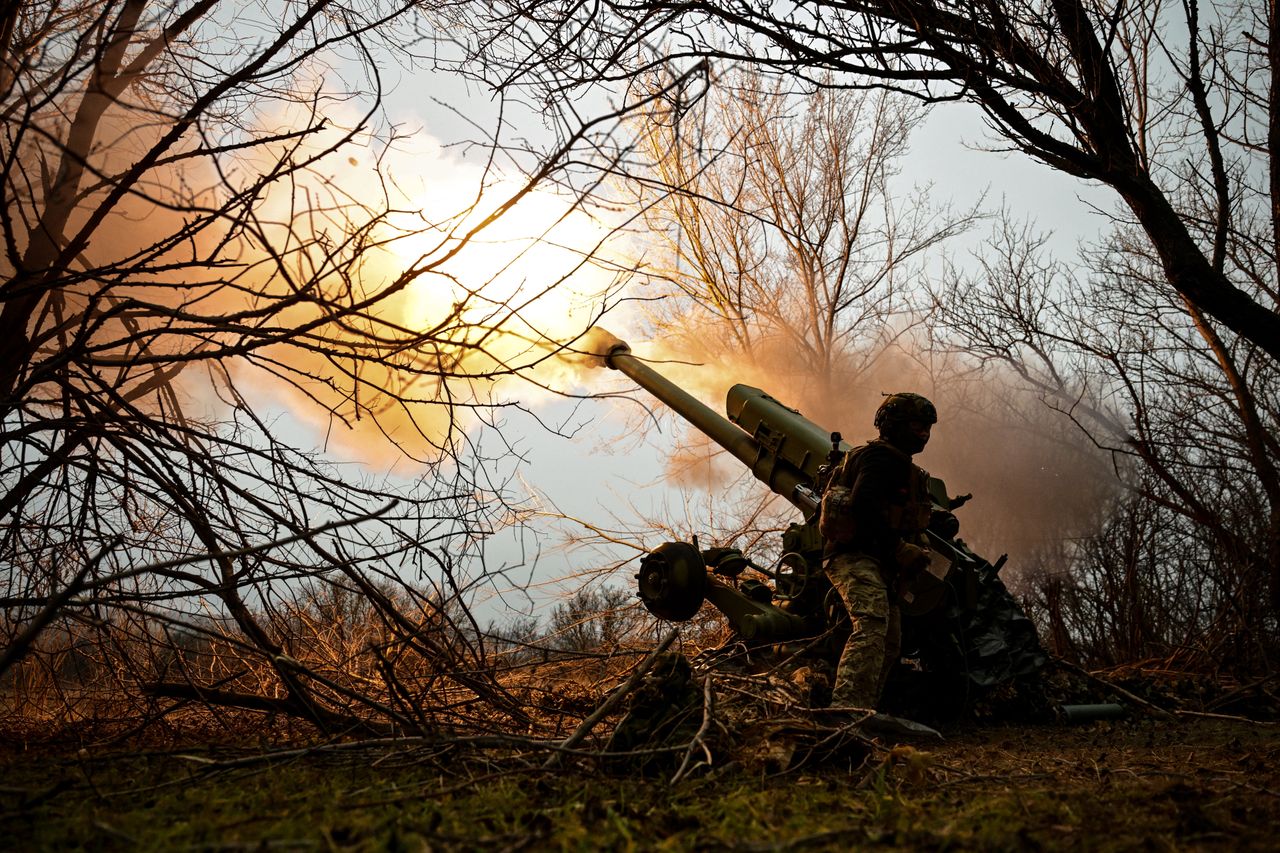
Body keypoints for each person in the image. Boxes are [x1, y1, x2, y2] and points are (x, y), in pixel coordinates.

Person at [818, 392, 937, 709]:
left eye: (927, 427)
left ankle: (863, 710)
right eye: (916, 425)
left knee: (890, 641)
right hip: (854, 557)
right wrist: (899, 548)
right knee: (871, 628)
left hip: (879, 562)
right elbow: (863, 506)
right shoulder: (880, 459)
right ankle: (846, 712)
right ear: (894, 424)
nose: (924, 433)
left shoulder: (900, 465)